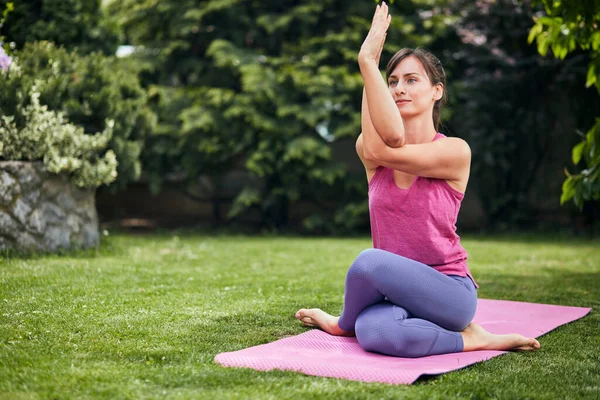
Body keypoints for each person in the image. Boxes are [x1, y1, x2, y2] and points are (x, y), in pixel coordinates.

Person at [295, 2, 540, 358]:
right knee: (376, 333)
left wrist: (367, 62)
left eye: (412, 80)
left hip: (448, 293)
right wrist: (370, 69)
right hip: (392, 291)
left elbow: (390, 147)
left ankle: (341, 323)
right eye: (391, 81)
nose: (398, 89)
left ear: (437, 91)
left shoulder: (454, 152)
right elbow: (384, 140)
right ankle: (471, 340)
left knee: (368, 262)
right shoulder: (369, 149)